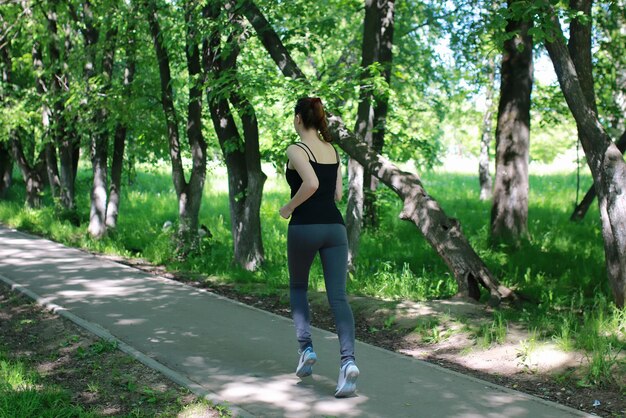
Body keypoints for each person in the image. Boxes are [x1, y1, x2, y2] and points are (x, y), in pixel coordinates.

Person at [279, 97, 359, 398]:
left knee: (298, 288)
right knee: (338, 296)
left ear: (299, 118)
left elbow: (310, 183)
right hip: (335, 229)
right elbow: (337, 193)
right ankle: (348, 362)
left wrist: (287, 207)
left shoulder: (296, 149)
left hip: (304, 227)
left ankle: (306, 349)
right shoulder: (332, 150)